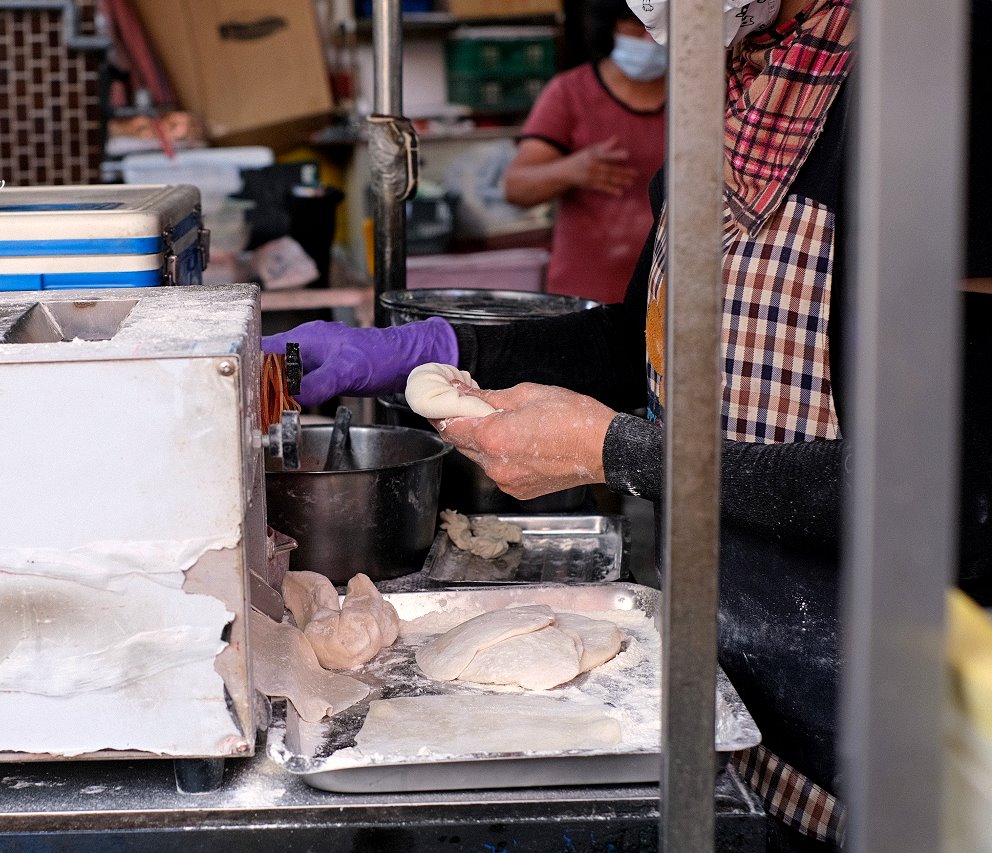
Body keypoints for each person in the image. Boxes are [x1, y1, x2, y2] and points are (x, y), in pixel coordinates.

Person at [264, 0, 991, 849]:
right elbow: (638, 341)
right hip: (738, 712)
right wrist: (422, 351)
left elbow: (944, 490)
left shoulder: (940, 93)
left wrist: (616, 452)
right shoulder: (736, 92)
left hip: (899, 746)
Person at [504, 0, 666, 303]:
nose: (648, 39)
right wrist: (570, 170)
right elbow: (516, 187)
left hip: (671, 294)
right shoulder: (569, 92)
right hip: (585, 296)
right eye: (636, 25)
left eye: (657, 28)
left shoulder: (702, 96)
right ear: (610, 26)